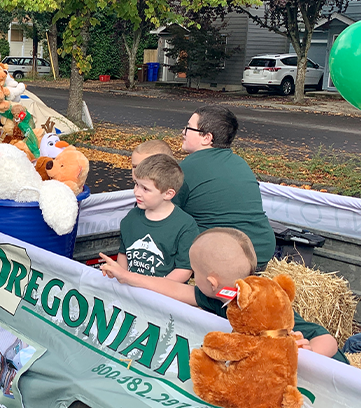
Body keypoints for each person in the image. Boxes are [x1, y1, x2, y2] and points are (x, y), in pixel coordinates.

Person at [100, 228, 348, 363]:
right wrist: (128, 276)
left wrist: (309, 353)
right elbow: (176, 290)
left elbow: (328, 339)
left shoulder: (263, 302)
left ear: (211, 282)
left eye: (194, 272)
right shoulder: (222, 296)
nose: (192, 278)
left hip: (334, 379)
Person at [173, 104, 275, 270]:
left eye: (189, 128)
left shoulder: (188, 167)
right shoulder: (240, 162)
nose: (183, 132)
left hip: (221, 258)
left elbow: (164, 211)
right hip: (261, 252)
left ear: (206, 138)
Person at [114, 154, 199, 283]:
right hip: (129, 293)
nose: (136, 192)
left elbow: (184, 270)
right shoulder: (131, 218)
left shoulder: (185, 225)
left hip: (163, 298)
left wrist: (151, 287)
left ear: (168, 194)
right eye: (136, 184)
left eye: (145, 189)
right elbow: (123, 254)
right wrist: (122, 277)